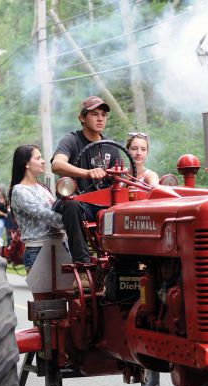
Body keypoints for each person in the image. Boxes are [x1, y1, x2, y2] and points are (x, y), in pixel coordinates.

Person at [51, 95, 120, 265]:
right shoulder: (72, 140)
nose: (100, 118)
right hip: (80, 204)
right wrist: (87, 173)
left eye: (103, 115)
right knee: (70, 204)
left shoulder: (112, 147)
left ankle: (123, 264)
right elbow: (57, 165)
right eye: (94, 114)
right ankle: (82, 265)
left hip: (105, 206)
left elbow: (120, 180)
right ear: (82, 117)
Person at [9, 144, 64, 273]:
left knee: (68, 293)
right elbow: (43, 214)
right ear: (27, 164)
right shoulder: (20, 190)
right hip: (38, 250)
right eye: (38, 158)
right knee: (45, 294)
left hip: (61, 247)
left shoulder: (43, 188)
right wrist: (72, 221)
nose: (43, 161)